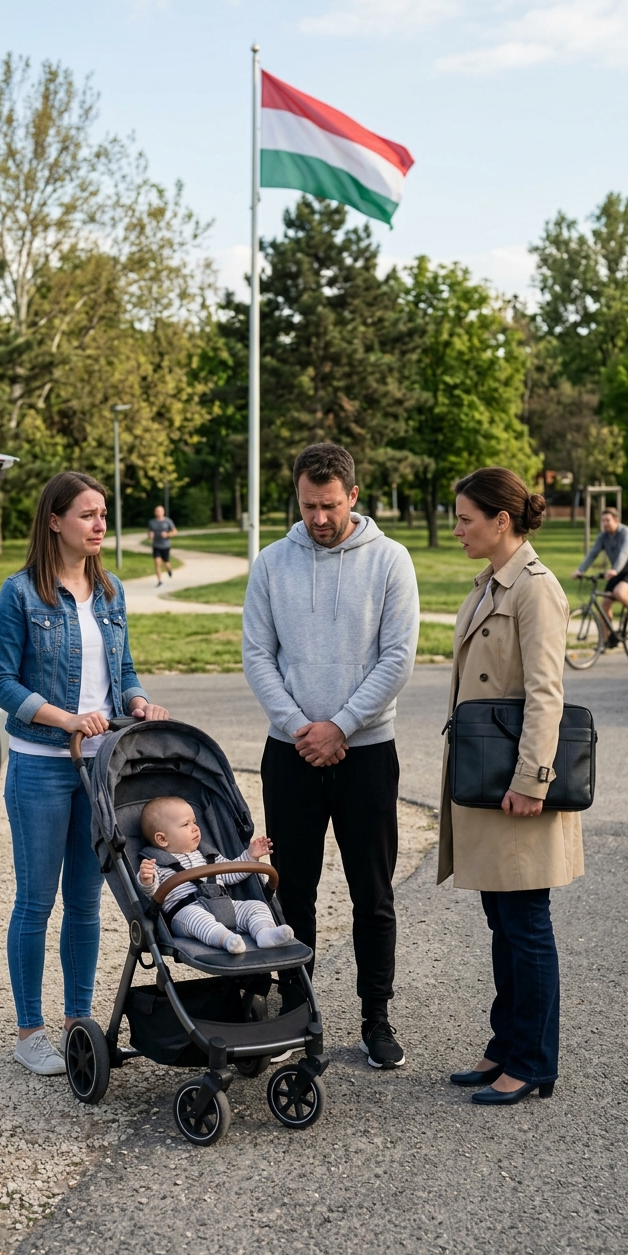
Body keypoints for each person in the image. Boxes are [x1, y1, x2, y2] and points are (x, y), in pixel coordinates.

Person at [243, 442, 419, 1070]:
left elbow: (397, 657)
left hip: (368, 751)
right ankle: (299, 1013)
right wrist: (301, 729)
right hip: (289, 753)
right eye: (307, 505)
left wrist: (340, 726)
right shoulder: (270, 563)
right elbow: (257, 656)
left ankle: (377, 1017)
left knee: (373, 892)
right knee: (295, 892)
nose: (318, 518)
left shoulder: (391, 561)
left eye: (329, 505)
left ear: (353, 495)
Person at [0, 471, 169, 1076]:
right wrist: (64, 718)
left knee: (87, 904)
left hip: (100, 769)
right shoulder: (20, 595)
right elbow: (0, 683)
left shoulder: (111, 591)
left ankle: (77, 1023)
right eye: (87, 515)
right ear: (54, 522)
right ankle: (29, 1030)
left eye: (103, 514)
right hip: (40, 766)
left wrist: (138, 702)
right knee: (36, 901)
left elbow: (127, 668)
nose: (99, 525)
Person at [440, 467, 584, 1106]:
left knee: (525, 923)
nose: (457, 528)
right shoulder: (490, 584)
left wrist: (533, 780)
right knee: (504, 919)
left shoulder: (535, 589)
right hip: (488, 782)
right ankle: (505, 1047)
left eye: (466, 518)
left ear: (502, 521)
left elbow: (545, 694)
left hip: (516, 785)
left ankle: (531, 1062)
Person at [136, 797, 295, 953]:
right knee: (197, 918)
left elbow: (232, 873)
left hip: (224, 905)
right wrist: (146, 879)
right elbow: (153, 894)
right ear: (162, 839)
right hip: (186, 912)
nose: (195, 828)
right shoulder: (156, 864)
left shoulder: (208, 855)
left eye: (195, 822)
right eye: (186, 824)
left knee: (256, 906)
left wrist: (250, 856)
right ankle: (226, 940)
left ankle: (264, 933)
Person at [571, 507, 628, 634]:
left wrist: (614, 569)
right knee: (604, 604)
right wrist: (581, 570)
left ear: (616, 520)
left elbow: (624, 553)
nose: (604, 523)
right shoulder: (603, 536)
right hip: (618, 572)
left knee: (620, 592)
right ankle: (606, 640)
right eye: (603, 521)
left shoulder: (626, 533)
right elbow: (592, 554)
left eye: (607, 520)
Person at [148, 505, 178, 586]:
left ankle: (169, 570)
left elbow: (175, 531)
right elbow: (149, 534)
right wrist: (150, 535)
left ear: (163, 512)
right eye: (157, 511)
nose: (158, 512)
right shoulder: (152, 522)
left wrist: (167, 534)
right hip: (156, 546)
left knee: (166, 562)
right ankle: (159, 581)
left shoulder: (168, 521)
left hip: (165, 545)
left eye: (160, 511)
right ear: (155, 512)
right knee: (157, 563)